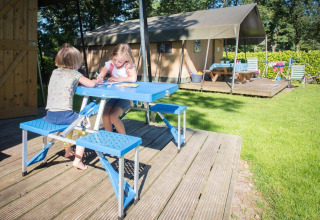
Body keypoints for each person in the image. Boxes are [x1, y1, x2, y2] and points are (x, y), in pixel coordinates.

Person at [43, 43, 98, 170]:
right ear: (75, 63)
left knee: (70, 126)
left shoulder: (55, 72)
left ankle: (68, 150)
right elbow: (90, 84)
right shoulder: (74, 73)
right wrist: (96, 81)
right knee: (84, 127)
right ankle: (78, 160)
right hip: (64, 114)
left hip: (50, 115)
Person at [97, 43, 137, 134]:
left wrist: (117, 79)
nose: (116, 63)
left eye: (119, 61)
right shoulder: (109, 64)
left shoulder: (129, 65)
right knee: (105, 115)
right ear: (112, 56)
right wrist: (98, 80)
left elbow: (133, 78)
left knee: (113, 116)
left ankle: (123, 138)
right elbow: (99, 77)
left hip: (127, 96)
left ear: (126, 59)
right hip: (114, 95)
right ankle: (109, 136)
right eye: (114, 59)